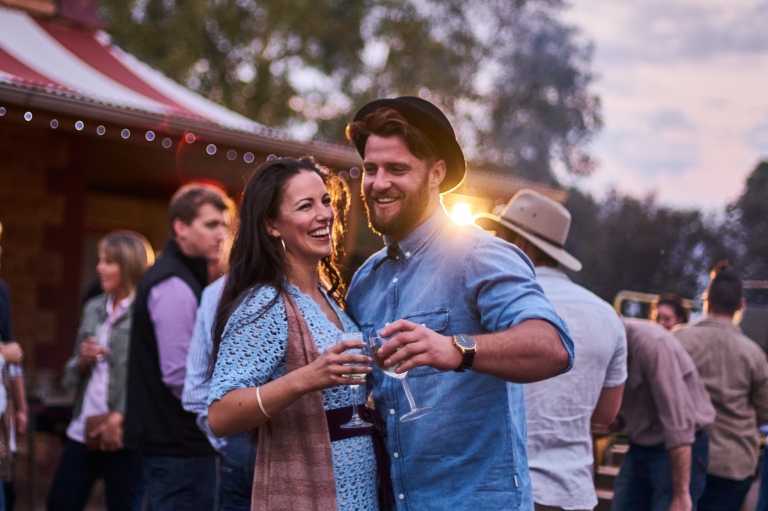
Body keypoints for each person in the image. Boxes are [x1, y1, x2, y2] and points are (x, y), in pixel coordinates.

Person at [344, 97, 574, 509]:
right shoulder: (364, 281)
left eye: (397, 169)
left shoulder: (480, 255)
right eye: (371, 169)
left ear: (436, 173)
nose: (379, 183)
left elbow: (553, 347)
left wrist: (454, 349)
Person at [207, 157, 386, 511]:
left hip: (359, 493)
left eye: (325, 201)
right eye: (306, 206)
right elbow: (220, 415)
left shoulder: (330, 298)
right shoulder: (266, 302)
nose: (324, 214)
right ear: (272, 224)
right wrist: (307, 377)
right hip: (311, 494)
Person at [476, 190, 627, 511]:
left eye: (500, 237)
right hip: (574, 495)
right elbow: (604, 418)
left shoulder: (493, 305)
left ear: (522, 245)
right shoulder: (607, 316)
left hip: (506, 492)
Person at [124, 184, 233, 511]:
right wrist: (224, 423)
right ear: (181, 227)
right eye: (211, 225)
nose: (221, 235)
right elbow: (180, 375)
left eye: (225, 226)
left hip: (177, 447)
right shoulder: (173, 283)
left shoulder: (187, 277)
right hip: (179, 448)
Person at [47, 231, 153, 511]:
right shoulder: (94, 308)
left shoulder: (147, 310)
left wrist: (120, 417)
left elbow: (150, 378)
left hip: (125, 431)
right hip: (86, 425)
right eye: (100, 260)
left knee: (123, 505)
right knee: (60, 502)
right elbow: (70, 375)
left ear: (128, 265)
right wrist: (83, 359)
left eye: (108, 261)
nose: (99, 268)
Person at [674, 262, 768, 511]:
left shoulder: (678, 340)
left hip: (681, 456)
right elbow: (765, 410)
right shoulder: (754, 355)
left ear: (707, 301)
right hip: (733, 464)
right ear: (741, 306)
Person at [612, 319, 715, 511]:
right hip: (640, 445)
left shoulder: (652, 344)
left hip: (677, 449)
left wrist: (681, 494)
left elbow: (679, 425)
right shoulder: (609, 347)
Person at [182, 275, 257, 511]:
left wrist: (227, 441)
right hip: (285, 444)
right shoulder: (306, 290)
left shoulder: (216, 291)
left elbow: (194, 392)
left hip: (238, 440)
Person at [0, 221, 25, 511]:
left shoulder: (2, 290)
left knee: (9, 493)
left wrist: (21, 406)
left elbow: (13, 349)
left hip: (2, 401)